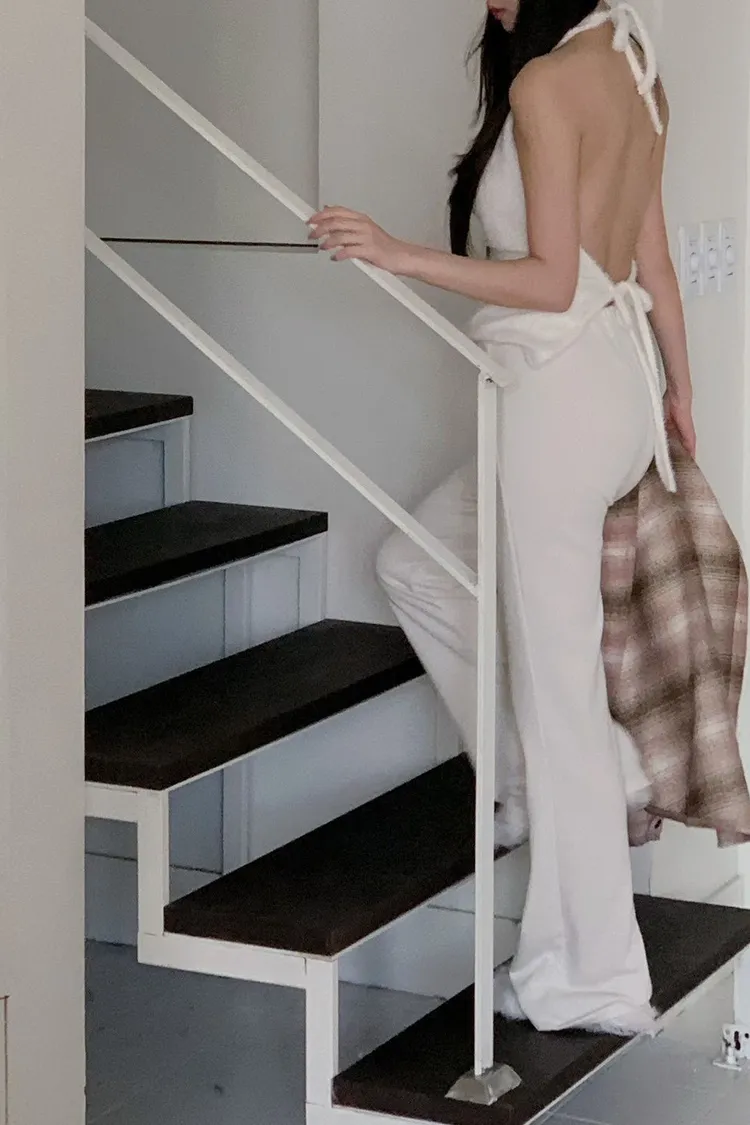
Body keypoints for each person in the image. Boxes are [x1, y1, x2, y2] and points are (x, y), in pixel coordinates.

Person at [308, 1, 694, 1036]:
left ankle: (592, 977)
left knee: (560, 693)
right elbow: (652, 264)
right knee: (417, 565)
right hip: (613, 385)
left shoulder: (546, 82)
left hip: (559, 394)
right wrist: (678, 392)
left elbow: (550, 281)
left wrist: (395, 253)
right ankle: (541, 777)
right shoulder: (633, 60)